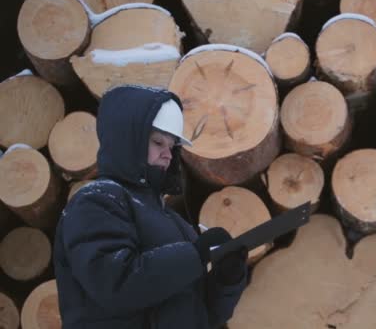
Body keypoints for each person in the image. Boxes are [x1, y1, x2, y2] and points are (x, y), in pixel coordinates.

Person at [53, 85, 248, 329]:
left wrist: (226, 280)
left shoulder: (173, 221)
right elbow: (116, 284)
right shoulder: (96, 201)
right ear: (128, 140)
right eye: (158, 142)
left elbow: (201, 316)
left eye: (172, 146)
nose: (168, 154)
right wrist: (193, 255)